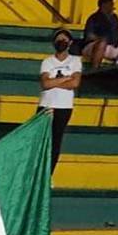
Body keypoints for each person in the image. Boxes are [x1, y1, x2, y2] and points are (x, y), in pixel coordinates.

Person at [39, 28, 81, 173]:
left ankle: (48, 174)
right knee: (42, 141)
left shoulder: (75, 61)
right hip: (46, 105)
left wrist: (54, 82)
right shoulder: (47, 61)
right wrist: (65, 79)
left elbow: (75, 83)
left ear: (70, 42)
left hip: (64, 106)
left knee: (55, 141)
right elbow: (45, 84)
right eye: (58, 40)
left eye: (64, 40)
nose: (61, 42)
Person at [82, 0, 118, 67]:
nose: (113, 5)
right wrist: (101, 39)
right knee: (102, 44)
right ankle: (95, 69)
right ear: (103, 5)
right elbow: (89, 35)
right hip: (93, 48)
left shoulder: (114, 18)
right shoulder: (94, 18)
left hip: (111, 46)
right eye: (110, 3)